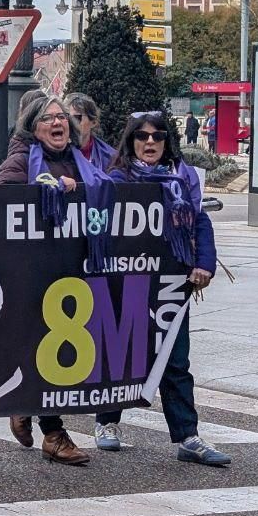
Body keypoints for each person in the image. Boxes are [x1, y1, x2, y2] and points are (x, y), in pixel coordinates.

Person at [93, 112, 230, 466]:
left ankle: (188, 436)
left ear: (167, 141)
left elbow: (199, 220)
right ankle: (107, 422)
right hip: (126, 284)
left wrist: (204, 263)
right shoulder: (114, 180)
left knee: (176, 361)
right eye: (141, 136)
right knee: (120, 354)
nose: (150, 142)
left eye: (158, 136)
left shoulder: (182, 179)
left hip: (172, 284)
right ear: (130, 141)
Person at [0, 94, 91, 465]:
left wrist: (77, 189)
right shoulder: (20, 162)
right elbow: (2, 207)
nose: (58, 122)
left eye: (62, 117)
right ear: (33, 128)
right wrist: (45, 192)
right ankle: (54, 433)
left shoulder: (81, 162)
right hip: (30, 273)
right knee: (44, 349)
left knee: (58, 352)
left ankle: (25, 406)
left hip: (70, 273)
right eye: (49, 117)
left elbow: (104, 194)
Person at [65, 92, 114, 171]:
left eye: (77, 118)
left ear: (93, 122)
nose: (72, 123)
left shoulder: (109, 157)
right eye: (68, 118)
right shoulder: (55, 152)